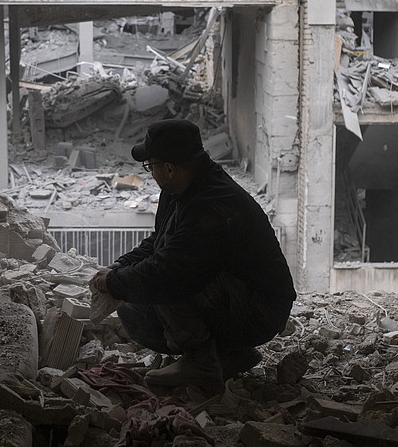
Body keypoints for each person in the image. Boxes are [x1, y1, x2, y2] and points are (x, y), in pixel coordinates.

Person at [90, 118, 296, 390]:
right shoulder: (181, 188)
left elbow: (170, 270)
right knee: (133, 307)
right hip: (234, 294)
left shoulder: (212, 206)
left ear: (170, 168)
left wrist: (115, 282)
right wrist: (120, 266)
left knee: (161, 281)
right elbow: (160, 240)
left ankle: (202, 363)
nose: (150, 172)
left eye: (150, 166)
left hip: (260, 310)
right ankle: (231, 355)